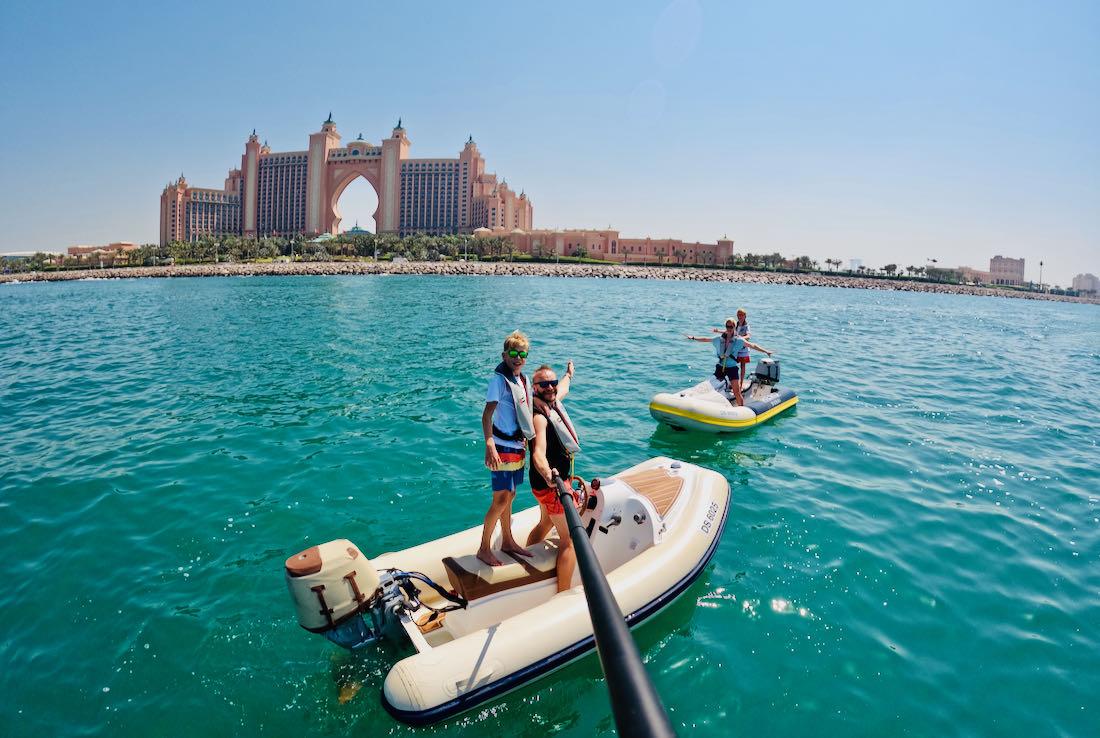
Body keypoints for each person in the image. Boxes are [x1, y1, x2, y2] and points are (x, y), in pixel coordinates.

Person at [478, 331, 537, 567]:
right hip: (501, 447)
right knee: (500, 499)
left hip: (517, 446)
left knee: (511, 495)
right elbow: (487, 414)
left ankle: (508, 541)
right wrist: (489, 443)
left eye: (523, 354)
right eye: (513, 353)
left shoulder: (522, 379)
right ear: (504, 355)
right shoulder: (499, 381)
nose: (518, 358)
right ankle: (483, 548)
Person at [524, 360, 581, 592]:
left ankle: (528, 562)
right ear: (533, 389)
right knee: (570, 541)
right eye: (543, 384)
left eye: (552, 383)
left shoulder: (553, 400)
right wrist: (549, 475)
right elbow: (538, 453)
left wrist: (569, 375)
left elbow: (564, 387)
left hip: (543, 485)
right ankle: (563, 592)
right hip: (551, 486)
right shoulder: (539, 417)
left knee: (546, 521)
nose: (550, 387)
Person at [687, 318, 772, 406]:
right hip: (720, 367)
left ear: (734, 327)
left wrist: (765, 351)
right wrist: (693, 338)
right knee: (711, 387)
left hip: (732, 368)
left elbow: (753, 345)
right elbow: (706, 339)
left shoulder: (739, 341)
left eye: (731, 326)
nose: (729, 328)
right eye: (727, 326)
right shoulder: (719, 339)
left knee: (737, 392)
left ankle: (741, 409)